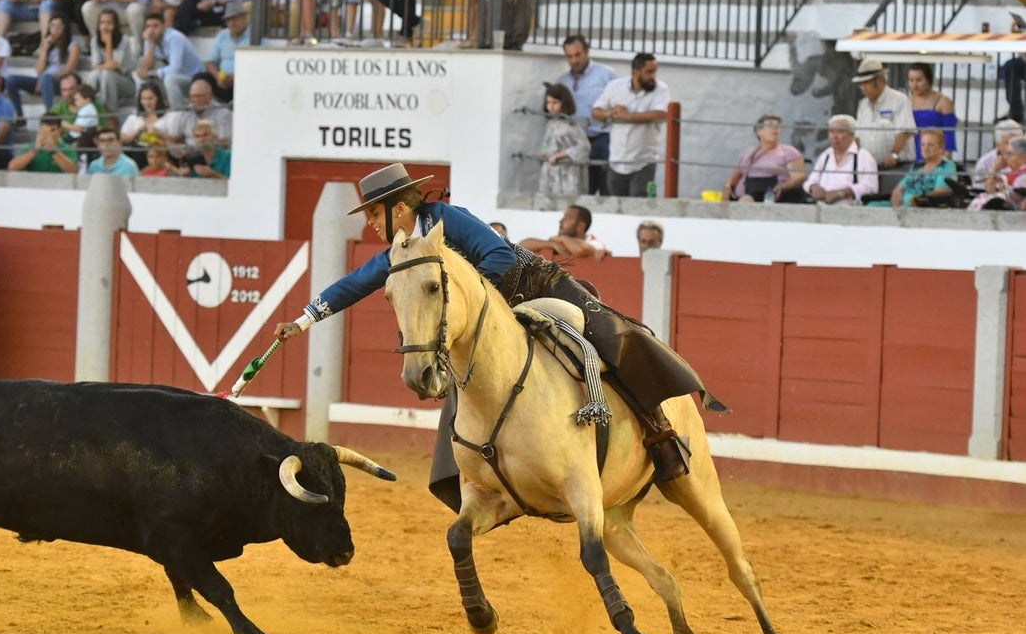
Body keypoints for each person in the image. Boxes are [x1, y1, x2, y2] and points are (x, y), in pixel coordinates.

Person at [271, 163, 723, 510]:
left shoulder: (447, 218)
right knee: (465, 389)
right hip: (491, 322)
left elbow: (500, 257)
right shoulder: (404, 252)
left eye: (373, 212)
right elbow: (357, 281)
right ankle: (473, 480)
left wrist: (464, 302)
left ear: (399, 207)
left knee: (611, 336)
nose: (370, 222)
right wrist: (304, 320)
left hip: (539, 289)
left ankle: (661, 437)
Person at [591, 52, 669, 197]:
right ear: (636, 72)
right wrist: (611, 113)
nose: (653, 76)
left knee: (639, 205)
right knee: (616, 207)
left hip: (643, 161)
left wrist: (629, 116)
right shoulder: (615, 87)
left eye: (655, 71)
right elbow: (596, 112)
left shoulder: (660, 89)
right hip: (616, 160)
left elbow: (662, 114)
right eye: (649, 72)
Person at [558, 34, 616, 196]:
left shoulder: (606, 74)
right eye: (569, 56)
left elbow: (618, 102)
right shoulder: (563, 81)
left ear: (587, 51)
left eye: (577, 55)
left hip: (602, 136)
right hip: (577, 141)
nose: (574, 60)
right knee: (583, 188)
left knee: (606, 188)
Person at [852, 58, 916, 195]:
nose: (863, 88)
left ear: (879, 80)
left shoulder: (899, 99)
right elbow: (858, 135)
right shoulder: (863, 105)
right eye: (861, 84)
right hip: (869, 168)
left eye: (866, 83)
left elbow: (903, 131)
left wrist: (894, 154)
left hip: (895, 168)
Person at [5, 13, 80, 116]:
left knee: (46, 77)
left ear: (65, 28)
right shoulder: (47, 45)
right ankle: (19, 115)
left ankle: (50, 114)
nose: (55, 29)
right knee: (11, 80)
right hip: (43, 81)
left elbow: (69, 70)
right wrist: (44, 50)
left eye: (58, 26)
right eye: (52, 26)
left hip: (62, 81)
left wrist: (45, 78)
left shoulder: (73, 46)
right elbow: (39, 70)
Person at [724, 114, 807, 203]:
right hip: (745, 196)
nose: (775, 128)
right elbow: (735, 176)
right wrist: (727, 187)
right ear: (759, 132)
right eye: (770, 125)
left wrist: (783, 186)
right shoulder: (748, 154)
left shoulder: (788, 152)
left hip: (772, 197)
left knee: (746, 200)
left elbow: (799, 177)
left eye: (778, 126)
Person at [802, 114, 880, 205]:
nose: (835, 136)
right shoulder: (826, 155)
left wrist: (843, 193)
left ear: (852, 135)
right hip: (821, 210)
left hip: (851, 212)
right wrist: (813, 187)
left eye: (840, 132)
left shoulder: (863, 156)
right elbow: (810, 181)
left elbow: (871, 186)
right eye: (831, 132)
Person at [136, 12, 204, 109]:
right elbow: (146, 67)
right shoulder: (150, 38)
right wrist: (151, 43)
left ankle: (177, 112)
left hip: (194, 78)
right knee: (145, 66)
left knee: (169, 79)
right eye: (148, 26)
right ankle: (157, 109)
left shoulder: (174, 37)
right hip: (179, 76)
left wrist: (151, 73)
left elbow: (175, 68)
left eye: (155, 26)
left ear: (164, 26)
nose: (151, 30)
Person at [536, 82, 589, 197]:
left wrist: (560, 155)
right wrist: (543, 152)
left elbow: (584, 147)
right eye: (548, 103)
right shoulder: (552, 123)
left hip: (567, 171)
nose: (551, 106)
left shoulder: (571, 125)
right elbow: (547, 141)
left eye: (555, 103)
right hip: (551, 170)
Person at [82, 8, 138, 112]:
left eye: (109, 23)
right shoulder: (95, 41)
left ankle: (109, 112)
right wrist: (103, 67)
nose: (105, 26)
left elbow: (113, 66)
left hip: (126, 83)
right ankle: (88, 109)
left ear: (115, 25)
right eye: (102, 23)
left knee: (107, 74)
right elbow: (95, 65)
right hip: (104, 78)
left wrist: (108, 43)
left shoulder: (124, 41)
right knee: (94, 74)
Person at [120, 80, 180, 167]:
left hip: (161, 153)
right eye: (143, 99)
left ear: (158, 98)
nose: (146, 103)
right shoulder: (134, 118)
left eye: (150, 98)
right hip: (138, 153)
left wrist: (159, 133)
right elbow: (122, 138)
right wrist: (136, 132)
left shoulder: (169, 117)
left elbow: (176, 139)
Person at [890, 129, 957, 207]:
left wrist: (919, 199)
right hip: (901, 208)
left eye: (930, 145)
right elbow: (900, 187)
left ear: (941, 148)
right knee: (873, 206)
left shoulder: (946, 165)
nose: (925, 148)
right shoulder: (917, 166)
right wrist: (897, 193)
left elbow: (941, 192)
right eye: (923, 144)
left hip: (923, 209)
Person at [518, 203, 608, 259]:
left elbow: (579, 250)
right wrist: (551, 244)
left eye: (567, 218)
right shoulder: (557, 242)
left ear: (581, 226)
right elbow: (521, 246)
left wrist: (563, 238)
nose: (561, 221)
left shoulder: (595, 243)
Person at [907, 62, 956, 161]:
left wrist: (945, 161)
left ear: (928, 80)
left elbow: (949, 134)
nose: (915, 85)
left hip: (935, 154)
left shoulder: (943, 101)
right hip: (910, 154)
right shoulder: (905, 101)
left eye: (919, 80)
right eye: (911, 80)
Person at [204, 1, 249, 102]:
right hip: (223, 79)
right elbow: (210, 62)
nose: (232, 23)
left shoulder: (255, 36)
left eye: (235, 19)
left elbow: (260, 65)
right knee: (201, 77)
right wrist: (217, 77)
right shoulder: (222, 35)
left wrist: (236, 77)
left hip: (244, 80)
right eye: (229, 20)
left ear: (245, 18)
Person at [7, 113, 79, 172]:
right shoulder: (30, 147)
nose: (50, 134)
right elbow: (12, 168)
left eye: (53, 130)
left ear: (60, 130)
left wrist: (54, 151)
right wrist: (35, 151)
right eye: (45, 130)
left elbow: (74, 171)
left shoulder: (67, 148)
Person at [172, 77, 231, 145]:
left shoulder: (223, 113)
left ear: (210, 96)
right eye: (193, 96)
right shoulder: (184, 112)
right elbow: (172, 138)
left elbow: (225, 142)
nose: (196, 100)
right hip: (190, 152)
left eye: (200, 96)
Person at [974, 119, 1023, 193]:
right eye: (1008, 143)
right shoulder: (985, 162)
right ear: (997, 144)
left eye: (1017, 142)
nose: (1013, 146)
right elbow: (979, 190)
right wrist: (995, 171)